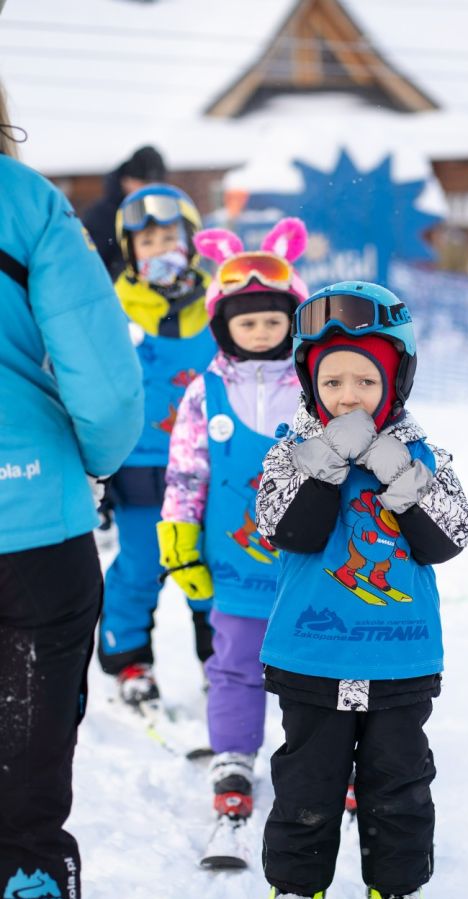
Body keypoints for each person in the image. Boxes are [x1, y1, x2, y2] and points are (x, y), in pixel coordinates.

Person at [250, 280, 468, 899]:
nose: (348, 395)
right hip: (312, 657)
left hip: (400, 660)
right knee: (306, 786)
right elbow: (285, 529)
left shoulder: (425, 456)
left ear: (395, 382)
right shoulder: (289, 453)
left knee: (399, 786)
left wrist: (402, 477)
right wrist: (324, 462)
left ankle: (398, 896)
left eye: (365, 381)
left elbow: (450, 537)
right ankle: (294, 895)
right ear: (309, 384)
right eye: (333, 381)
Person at [0, 87, 143, 899]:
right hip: (32, 533)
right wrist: (84, 458)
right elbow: (103, 381)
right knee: (23, 803)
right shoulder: (24, 201)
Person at [157, 219, 309, 866]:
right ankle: (234, 757)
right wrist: (179, 538)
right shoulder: (205, 392)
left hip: (309, 564)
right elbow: (186, 472)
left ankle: (324, 758)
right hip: (235, 561)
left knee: (315, 667)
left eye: (274, 320)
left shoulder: (313, 385)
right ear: (224, 326)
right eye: (247, 322)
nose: (262, 331)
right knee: (236, 664)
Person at [97, 184, 216, 708]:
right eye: (146, 242)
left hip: (212, 465)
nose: (159, 249)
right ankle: (129, 660)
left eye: (169, 237)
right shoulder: (112, 306)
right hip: (141, 466)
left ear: (191, 241)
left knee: (213, 564)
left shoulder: (220, 302)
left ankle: (223, 660)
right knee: (142, 566)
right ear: (130, 252)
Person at [81, 145, 166, 280]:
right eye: (143, 183)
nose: (150, 189)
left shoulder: (160, 213)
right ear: (127, 181)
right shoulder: (101, 216)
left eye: (155, 184)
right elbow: (88, 265)